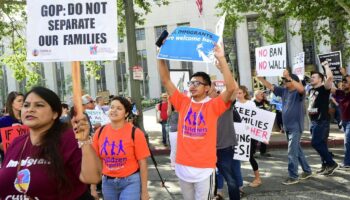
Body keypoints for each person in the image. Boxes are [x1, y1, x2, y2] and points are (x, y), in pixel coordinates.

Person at [157, 43, 235, 200]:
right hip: (183, 166)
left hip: (204, 169)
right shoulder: (183, 102)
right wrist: (160, 55)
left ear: (207, 88)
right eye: (191, 83)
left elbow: (231, 88)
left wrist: (221, 58)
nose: (192, 86)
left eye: (197, 83)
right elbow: (166, 80)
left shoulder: (214, 105)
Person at [0, 86, 101, 199]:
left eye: (39, 105)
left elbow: (93, 177)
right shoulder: (16, 142)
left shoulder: (68, 138)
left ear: (55, 114)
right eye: (26, 105)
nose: (30, 109)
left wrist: (84, 141)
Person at [257, 70, 312, 185]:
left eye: (287, 80)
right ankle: (307, 170)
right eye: (284, 80)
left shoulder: (298, 93)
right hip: (287, 127)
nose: (284, 82)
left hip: (296, 126)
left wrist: (289, 77)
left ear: (294, 81)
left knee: (292, 152)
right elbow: (271, 87)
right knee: (297, 150)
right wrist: (261, 78)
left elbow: (302, 89)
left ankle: (293, 176)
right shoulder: (284, 91)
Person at [91, 96, 150, 200]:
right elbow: (95, 162)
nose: (114, 110)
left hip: (130, 182)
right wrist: (93, 187)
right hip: (107, 183)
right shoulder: (99, 132)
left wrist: (144, 191)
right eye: (112, 107)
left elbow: (143, 163)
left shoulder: (136, 133)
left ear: (126, 113)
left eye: (119, 108)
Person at [209, 85, 241, 200]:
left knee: (230, 179)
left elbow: (234, 88)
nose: (209, 92)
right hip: (208, 149)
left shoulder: (224, 103)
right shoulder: (204, 105)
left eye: (211, 90)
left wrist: (223, 69)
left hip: (224, 148)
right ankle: (217, 195)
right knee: (208, 179)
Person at [307, 62, 338, 175]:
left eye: (314, 77)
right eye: (311, 77)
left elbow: (329, 77)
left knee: (316, 143)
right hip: (313, 121)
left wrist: (325, 66)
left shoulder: (324, 89)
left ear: (320, 79)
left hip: (321, 121)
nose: (311, 78)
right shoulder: (311, 90)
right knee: (322, 144)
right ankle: (325, 165)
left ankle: (331, 163)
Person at [235, 86, 262, 187]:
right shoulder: (235, 104)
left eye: (240, 93)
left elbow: (256, 118)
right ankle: (237, 180)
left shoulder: (251, 103)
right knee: (236, 157)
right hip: (238, 133)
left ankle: (258, 178)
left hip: (250, 133)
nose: (238, 95)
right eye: (236, 93)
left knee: (250, 156)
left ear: (244, 94)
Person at [331, 73, 350, 169]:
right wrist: (328, 75)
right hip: (345, 121)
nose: (343, 83)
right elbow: (329, 88)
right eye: (342, 82)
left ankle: (347, 163)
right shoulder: (340, 93)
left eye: (346, 82)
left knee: (347, 142)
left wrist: (344, 74)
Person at [0, 91, 24, 161]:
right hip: (10, 161)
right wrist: (13, 133)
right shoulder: (2, 121)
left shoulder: (27, 120)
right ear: (11, 103)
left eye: (23, 100)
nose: (22, 103)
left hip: (27, 161)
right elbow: (1, 146)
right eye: (19, 101)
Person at [253, 90, 271, 157]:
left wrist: (265, 99)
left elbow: (270, 107)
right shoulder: (252, 103)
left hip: (263, 123)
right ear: (256, 95)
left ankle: (263, 152)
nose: (262, 95)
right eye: (261, 94)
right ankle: (252, 152)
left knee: (264, 138)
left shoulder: (264, 102)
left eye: (263, 94)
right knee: (254, 139)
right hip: (255, 123)